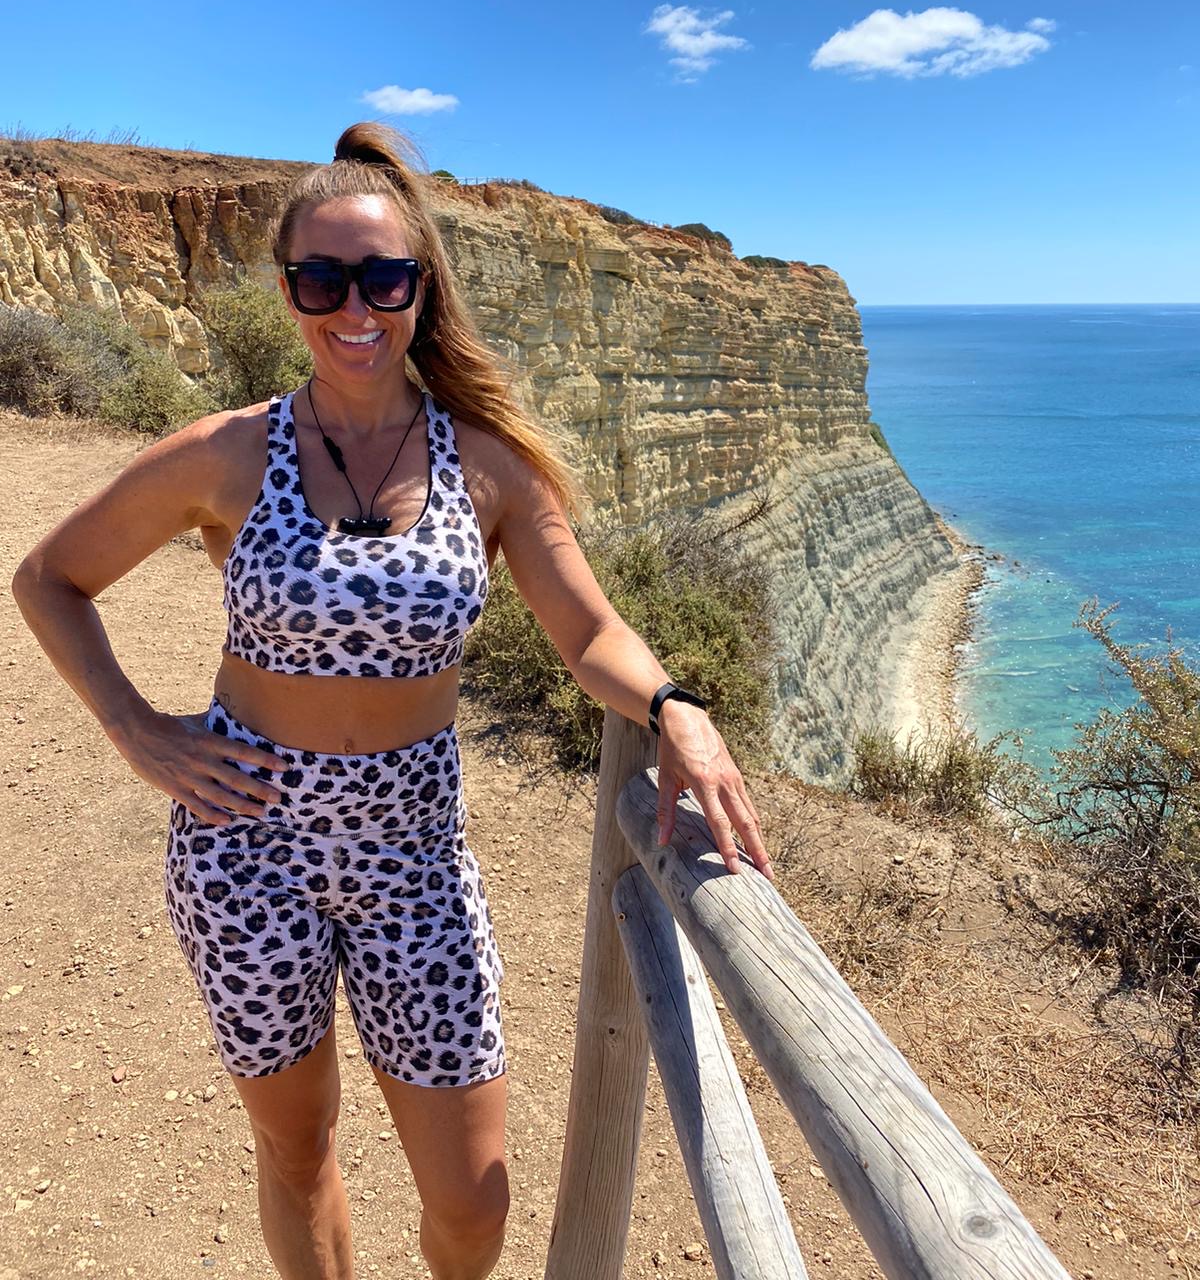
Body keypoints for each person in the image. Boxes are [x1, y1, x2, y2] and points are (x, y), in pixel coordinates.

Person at [11, 121, 774, 1280]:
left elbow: (589, 632)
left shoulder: (487, 464)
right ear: (288, 290)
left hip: (414, 854)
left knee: (472, 1200)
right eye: (322, 279)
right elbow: (49, 578)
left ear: (420, 287)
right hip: (244, 847)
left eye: (382, 278)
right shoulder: (227, 453)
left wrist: (676, 705)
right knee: (297, 1147)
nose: (353, 307)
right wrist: (135, 728)